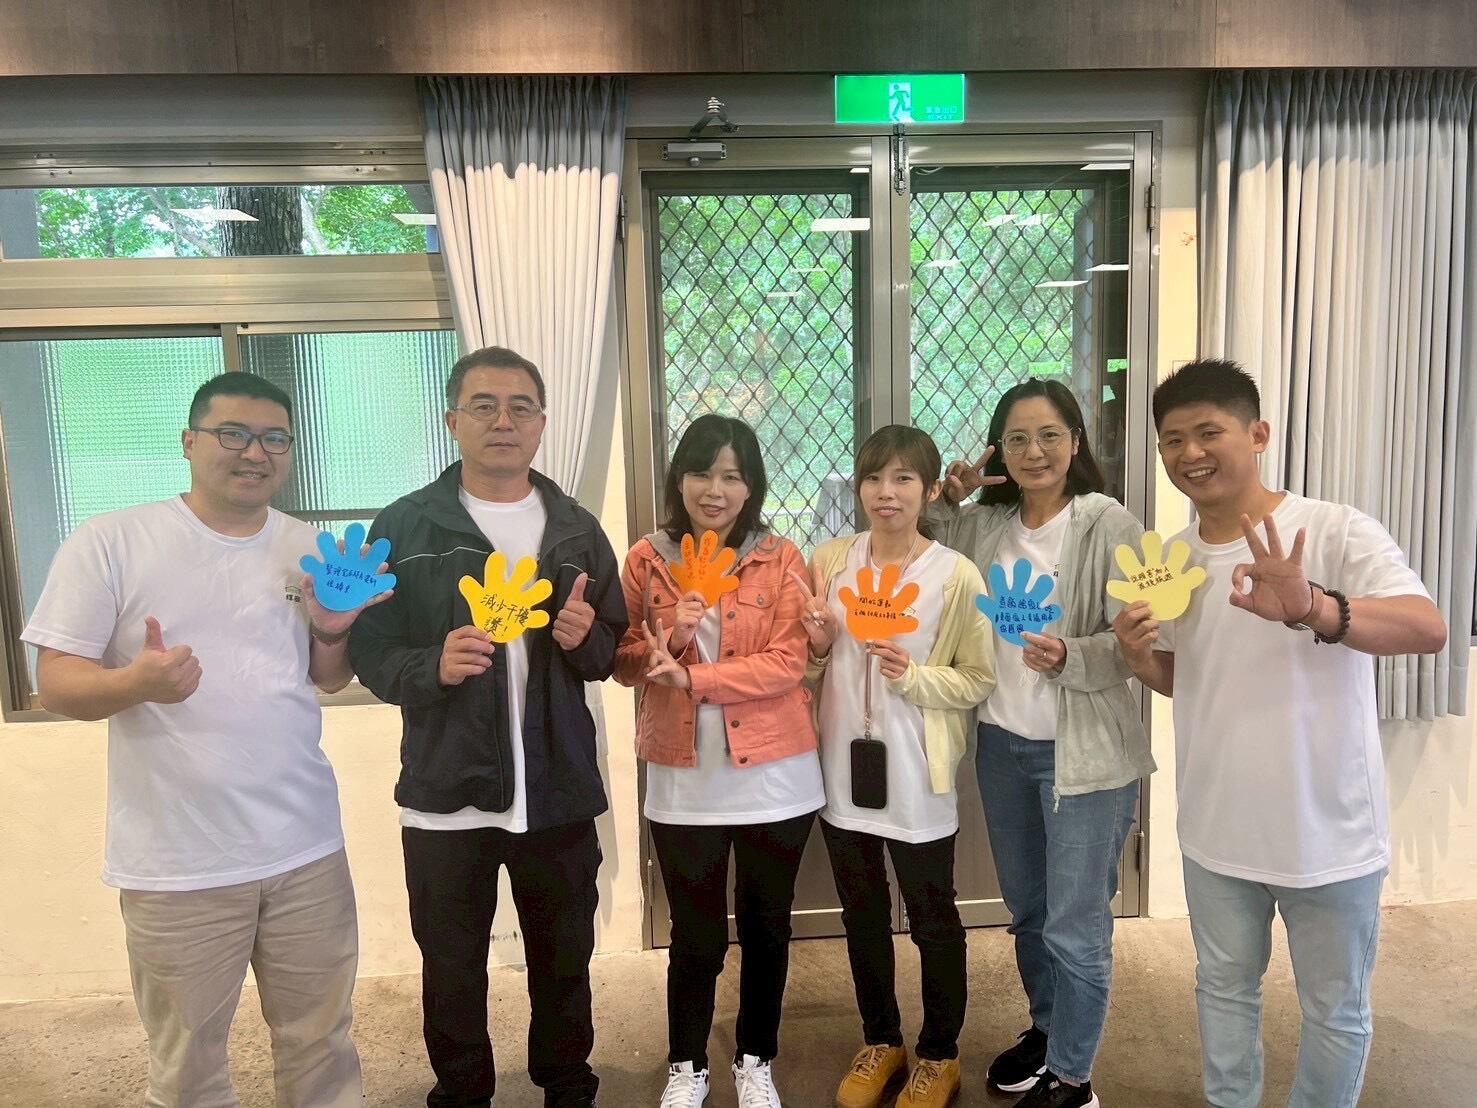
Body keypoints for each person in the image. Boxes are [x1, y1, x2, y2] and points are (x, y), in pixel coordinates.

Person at [21, 371, 375, 1107]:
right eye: (233, 433)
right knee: (188, 1065)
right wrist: (135, 683)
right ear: (188, 442)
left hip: (305, 845)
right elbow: (56, 683)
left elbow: (327, 677)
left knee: (322, 1042)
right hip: (178, 861)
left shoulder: (307, 547)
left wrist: (332, 630)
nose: (255, 452)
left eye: (275, 438)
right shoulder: (112, 540)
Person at [1113, 359, 1446, 1108]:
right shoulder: (1171, 560)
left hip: (1328, 834)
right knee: (1222, 991)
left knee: (1334, 1010)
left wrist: (1312, 608)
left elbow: (1426, 628)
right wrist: (1138, 660)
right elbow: (1193, 679)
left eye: (1209, 432)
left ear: (1257, 434)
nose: (1190, 454)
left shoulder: (1332, 529)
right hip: (1215, 832)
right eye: (1172, 440)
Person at [348, 346, 627, 1108]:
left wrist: (585, 641)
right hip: (446, 793)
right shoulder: (406, 526)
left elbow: (611, 649)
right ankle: (462, 1093)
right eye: (483, 405)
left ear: (541, 424)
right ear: (452, 420)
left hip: (557, 789)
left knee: (564, 961)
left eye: (519, 407)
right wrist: (428, 666)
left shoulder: (574, 528)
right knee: (451, 967)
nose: (503, 421)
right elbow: (369, 650)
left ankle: (567, 1086)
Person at [938, 379, 1153, 1108]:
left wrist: (1072, 656)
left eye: (1049, 435)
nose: (1034, 451)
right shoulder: (983, 526)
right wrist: (947, 499)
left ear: (1076, 442)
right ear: (998, 450)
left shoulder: (1108, 524)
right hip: (1001, 745)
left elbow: (1138, 644)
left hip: (1082, 753)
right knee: (1028, 910)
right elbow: (920, 554)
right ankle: (1047, 1030)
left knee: (1075, 923)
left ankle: (1071, 1078)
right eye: (1017, 438)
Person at [615, 414, 823, 1108]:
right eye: (702, 472)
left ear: (751, 486)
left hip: (775, 775)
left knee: (767, 928)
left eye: (732, 476)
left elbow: (788, 661)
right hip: (683, 777)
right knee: (695, 936)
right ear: (679, 479)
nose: (715, 489)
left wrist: (694, 678)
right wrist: (667, 639)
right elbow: (621, 661)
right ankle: (687, 1065)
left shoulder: (779, 557)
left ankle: (755, 1059)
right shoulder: (647, 558)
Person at [795, 424, 995, 1108]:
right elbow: (807, 668)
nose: (887, 491)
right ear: (859, 487)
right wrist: (821, 648)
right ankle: (881, 1040)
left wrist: (913, 677)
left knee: (933, 917)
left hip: (916, 774)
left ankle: (940, 1053)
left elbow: (977, 678)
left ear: (931, 490)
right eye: (875, 477)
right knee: (861, 913)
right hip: (841, 769)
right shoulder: (829, 561)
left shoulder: (954, 574)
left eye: (904, 478)